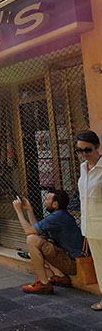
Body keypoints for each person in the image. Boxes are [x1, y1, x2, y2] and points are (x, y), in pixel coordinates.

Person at [13, 190, 83, 294]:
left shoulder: (57, 217)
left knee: (31, 240)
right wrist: (29, 210)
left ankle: (44, 284)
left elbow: (28, 231)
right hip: (70, 260)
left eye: (47, 199)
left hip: (73, 264)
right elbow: (35, 231)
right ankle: (60, 276)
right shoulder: (60, 215)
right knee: (37, 240)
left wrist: (19, 211)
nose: (45, 201)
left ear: (55, 204)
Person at [76, 130, 102, 310]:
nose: (84, 154)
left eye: (88, 149)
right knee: (100, 265)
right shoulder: (82, 169)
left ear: (97, 147)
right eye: (80, 150)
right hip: (90, 226)